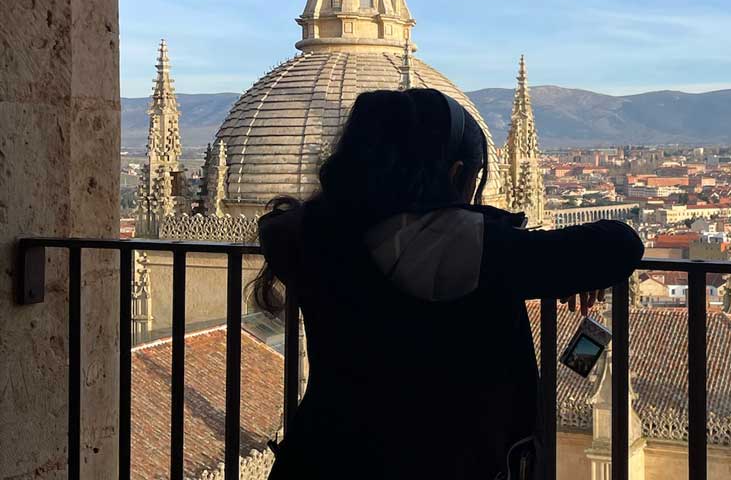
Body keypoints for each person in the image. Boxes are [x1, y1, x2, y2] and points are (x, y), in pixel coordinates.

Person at [253, 88, 644, 479]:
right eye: (472, 183)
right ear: (453, 175)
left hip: (323, 456)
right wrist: (535, 254)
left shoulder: (308, 234)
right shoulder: (466, 248)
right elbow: (620, 245)